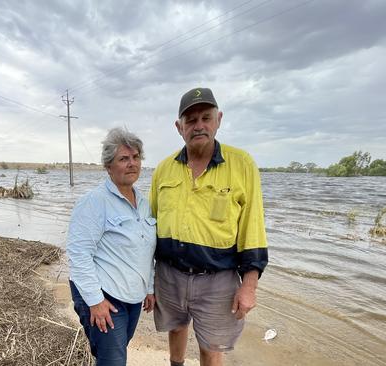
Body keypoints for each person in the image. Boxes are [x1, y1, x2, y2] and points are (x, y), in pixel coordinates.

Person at [149, 87, 268, 366]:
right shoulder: (164, 169)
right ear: (179, 127)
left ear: (219, 120)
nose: (198, 125)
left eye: (205, 117)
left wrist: (249, 286)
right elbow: (149, 227)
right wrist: (146, 281)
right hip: (169, 275)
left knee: (211, 346)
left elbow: (254, 228)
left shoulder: (242, 165)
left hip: (217, 279)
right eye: (190, 120)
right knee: (175, 327)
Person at [67, 127, 157, 366]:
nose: (131, 163)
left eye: (136, 157)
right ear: (108, 166)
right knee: (114, 361)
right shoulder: (94, 202)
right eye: (123, 158)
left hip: (133, 297)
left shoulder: (145, 203)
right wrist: (95, 302)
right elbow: (78, 254)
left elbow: (146, 251)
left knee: (113, 355)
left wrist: (149, 287)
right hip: (104, 295)